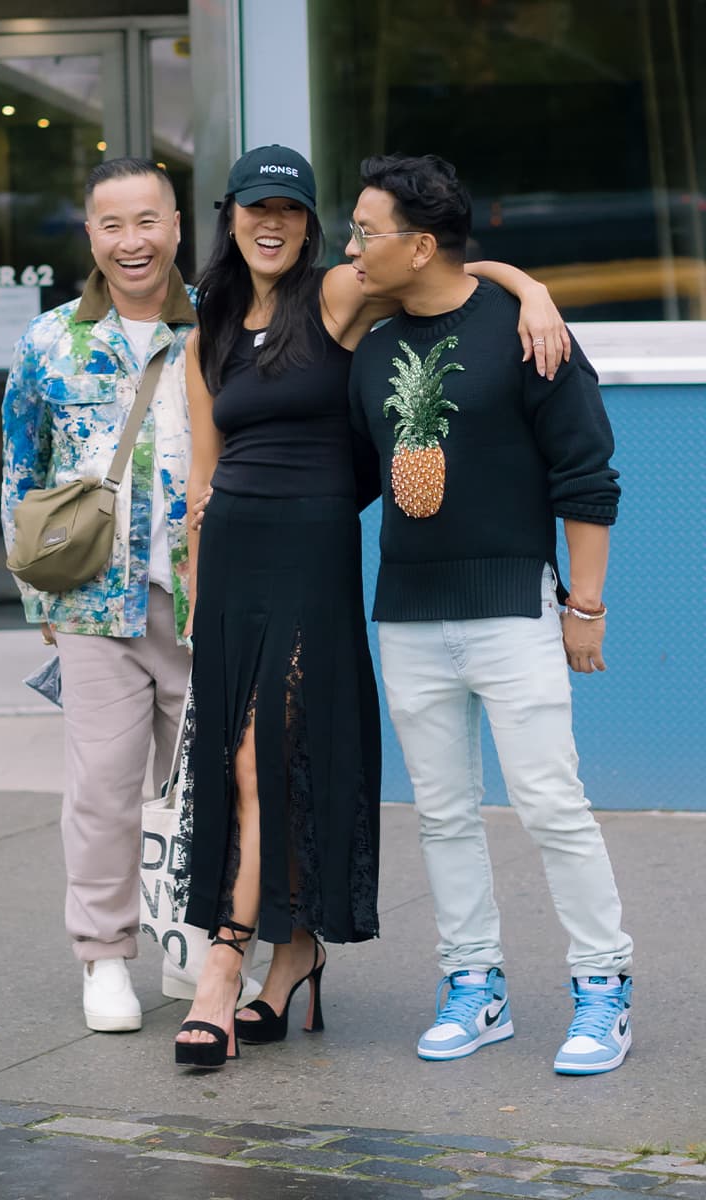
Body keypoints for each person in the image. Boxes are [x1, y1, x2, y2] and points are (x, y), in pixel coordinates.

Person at [174, 143, 570, 1069]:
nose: (271, 225)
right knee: (238, 763)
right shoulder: (210, 327)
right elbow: (203, 474)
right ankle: (294, 954)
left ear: (310, 224)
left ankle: (224, 968)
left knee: (272, 749)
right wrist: (195, 592)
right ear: (229, 216)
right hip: (232, 557)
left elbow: (450, 271)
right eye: (254, 209)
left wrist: (532, 290)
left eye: (291, 211)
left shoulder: (341, 294)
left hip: (312, 552)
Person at [347, 152, 633, 1076]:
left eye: (365, 230)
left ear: (422, 244)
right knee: (442, 812)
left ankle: (603, 987)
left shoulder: (527, 331)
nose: (351, 245)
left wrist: (583, 606)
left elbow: (586, 475)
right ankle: (475, 985)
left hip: (513, 606)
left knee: (551, 803)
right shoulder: (376, 346)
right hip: (407, 610)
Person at [1, 157, 197, 1033]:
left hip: (206, 598)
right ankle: (106, 957)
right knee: (103, 791)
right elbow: (21, 469)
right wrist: (36, 597)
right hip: (91, 604)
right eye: (112, 225)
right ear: (91, 235)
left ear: (177, 226)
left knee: (209, 792)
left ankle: (199, 947)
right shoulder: (49, 340)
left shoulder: (222, 328)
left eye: (147, 221)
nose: (133, 242)